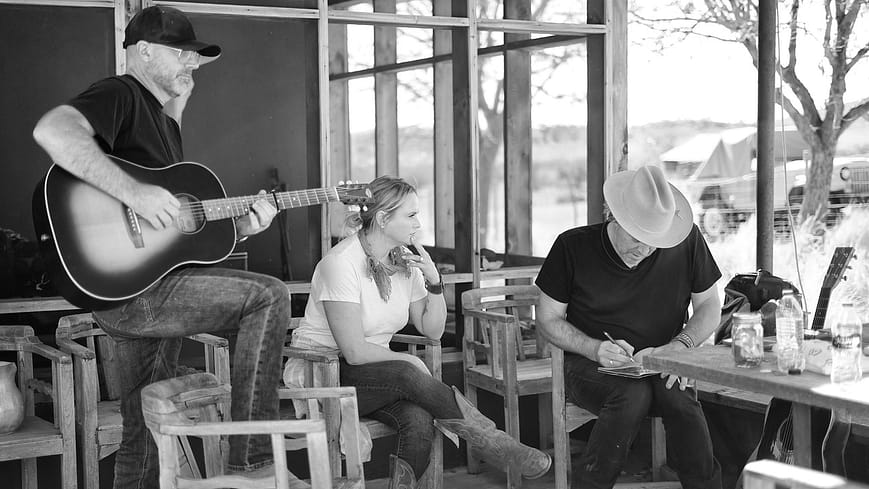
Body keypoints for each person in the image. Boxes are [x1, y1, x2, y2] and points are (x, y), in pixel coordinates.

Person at [32, 7, 293, 489]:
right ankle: (252, 463)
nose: (191, 64)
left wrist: (245, 227)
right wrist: (133, 194)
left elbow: (176, 233)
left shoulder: (162, 121)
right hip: (139, 294)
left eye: (195, 57)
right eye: (181, 53)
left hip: (142, 282)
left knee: (144, 431)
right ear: (143, 50)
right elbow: (52, 131)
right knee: (269, 295)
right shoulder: (121, 92)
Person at [283, 175, 551, 487]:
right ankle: (497, 444)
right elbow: (354, 352)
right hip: (324, 371)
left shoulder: (403, 262)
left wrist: (435, 282)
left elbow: (431, 330)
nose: (418, 224)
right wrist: (408, 363)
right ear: (383, 219)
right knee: (407, 372)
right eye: (411, 215)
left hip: (377, 376)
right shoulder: (340, 263)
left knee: (420, 419)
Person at [535, 165, 723, 489]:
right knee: (631, 395)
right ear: (614, 216)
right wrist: (594, 348)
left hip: (663, 357)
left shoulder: (687, 238)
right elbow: (547, 319)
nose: (646, 249)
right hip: (590, 363)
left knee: (681, 400)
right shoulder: (571, 247)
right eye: (638, 237)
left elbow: (709, 306)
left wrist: (679, 347)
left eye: (656, 242)